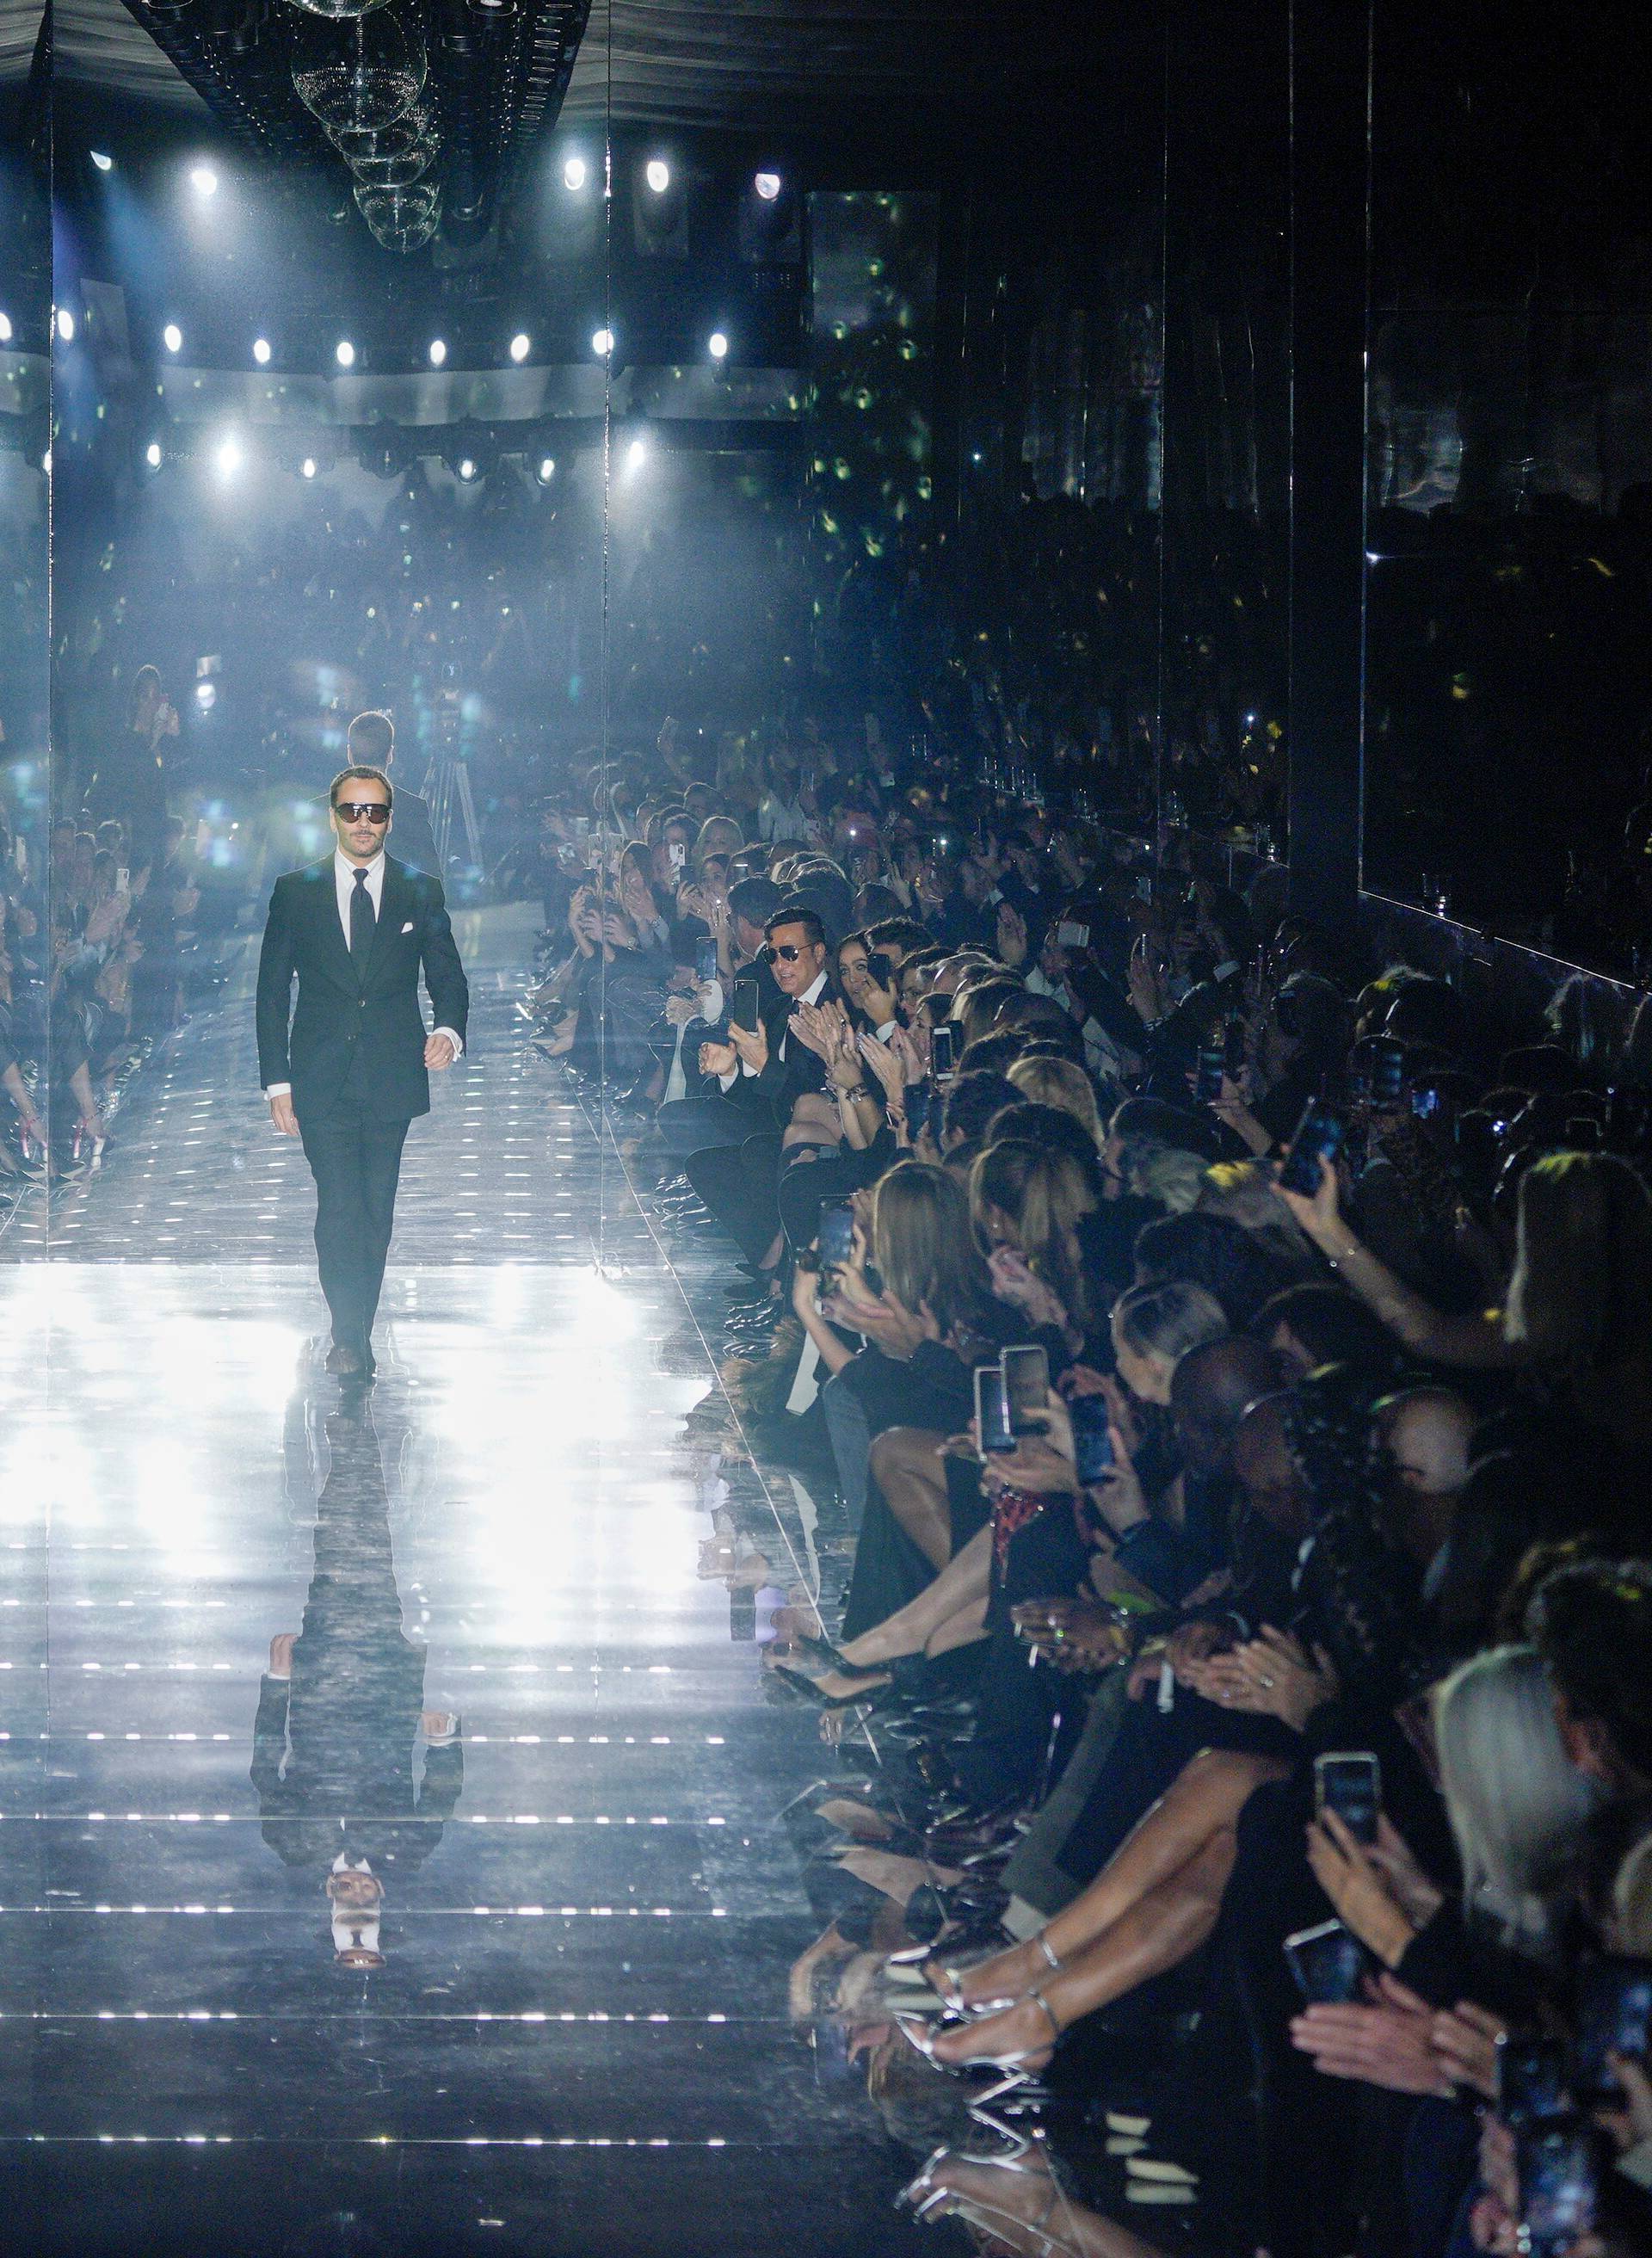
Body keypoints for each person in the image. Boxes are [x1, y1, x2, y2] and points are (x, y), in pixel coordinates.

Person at [256, 763, 469, 1379]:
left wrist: (449, 1030)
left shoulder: (418, 888)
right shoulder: (296, 891)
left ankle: (358, 1326)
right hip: (319, 1074)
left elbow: (446, 971)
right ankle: (348, 1333)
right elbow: (272, 993)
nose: (363, 822)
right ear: (333, 816)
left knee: (376, 1208)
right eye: (352, 810)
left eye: (374, 811)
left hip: (392, 1073)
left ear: (389, 819)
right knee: (339, 1206)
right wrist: (278, 1081)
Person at [347, 710, 441, 876]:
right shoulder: (412, 809)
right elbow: (432, 879)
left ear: (349, 754)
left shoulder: (322, 809)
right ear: (390, 754)